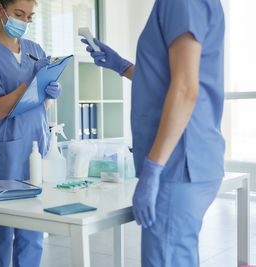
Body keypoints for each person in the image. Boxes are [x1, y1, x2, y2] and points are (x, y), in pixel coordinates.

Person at [82, 0, 225, 266]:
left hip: (178, 162)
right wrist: (122, 67)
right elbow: (168, 79)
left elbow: (184, 89)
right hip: (189, 158)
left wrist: (153, 168)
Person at [0, 0, 62, 266]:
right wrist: (29, 82)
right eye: (19, 14)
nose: (25, 22)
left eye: (30, 16)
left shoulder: (34, 50)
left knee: (33, 229)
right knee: (1, 232)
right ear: (0, 10)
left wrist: (49, 91)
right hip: (3, 154)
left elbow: (40, 104)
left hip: (35, 147)